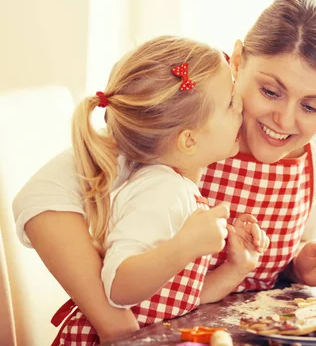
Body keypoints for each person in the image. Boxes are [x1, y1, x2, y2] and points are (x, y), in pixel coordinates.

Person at [13, 0, 316, 343]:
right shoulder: (178, 126)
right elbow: (40, 199)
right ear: (239, 60)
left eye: (311, 107)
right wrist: (116, 327)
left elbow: (273, 271)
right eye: (270, 92)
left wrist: (301, 266)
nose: (285, 120)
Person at [53, 36, 270, 344]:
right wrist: (186, 245)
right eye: (232, 103)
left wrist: (236, 269)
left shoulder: (178, 187)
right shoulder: (160, 191)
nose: (242, 109)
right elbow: (118, 288)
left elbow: (182, 298)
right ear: (189, 141)